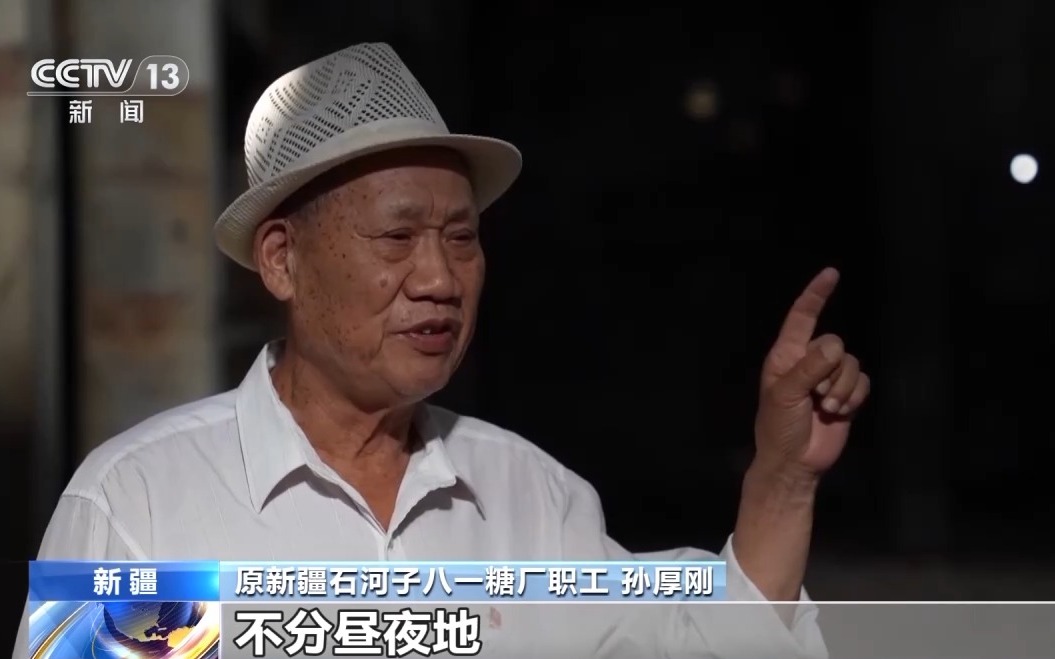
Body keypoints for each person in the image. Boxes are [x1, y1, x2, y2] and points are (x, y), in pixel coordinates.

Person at [18, 43, 869, 658]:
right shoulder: (141, 506)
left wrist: (784, 478)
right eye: (398, 237)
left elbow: (707, 640)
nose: (440, 278)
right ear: (282, 260)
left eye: (462, 238)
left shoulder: (532, 500)